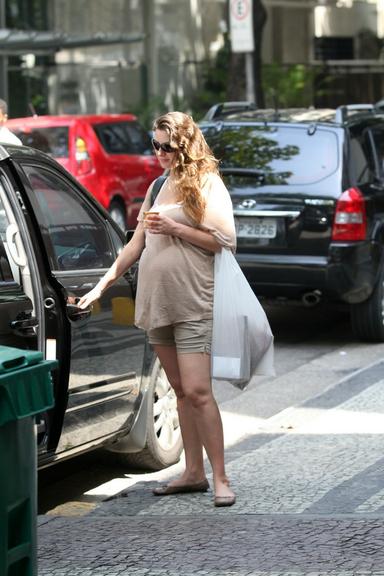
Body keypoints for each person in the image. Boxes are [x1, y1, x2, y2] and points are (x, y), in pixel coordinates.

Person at [78, 111, 237, 507]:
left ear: (185, 145)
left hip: (194, 301)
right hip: (157, 301)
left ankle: (220, 478)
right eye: (155, 145)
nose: (160, 153)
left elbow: (225, 240)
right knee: (180, 392)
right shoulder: (157, 185)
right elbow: (135, 244)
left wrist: (175, 229)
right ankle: (192, 472)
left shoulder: (206, 183)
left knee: (199, 391)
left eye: (167, 146)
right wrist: (102, 284)